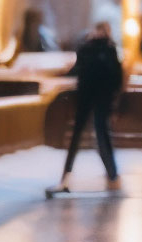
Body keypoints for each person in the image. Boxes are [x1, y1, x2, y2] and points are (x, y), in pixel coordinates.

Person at [51, 22, 123, 193]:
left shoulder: (88, 49)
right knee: (101, 135)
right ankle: (112, 174)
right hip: (100, 98)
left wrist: (64, 74)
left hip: (87, 96)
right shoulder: (108, 50)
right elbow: (116, 77)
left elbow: (78, 70)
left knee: (81, 136)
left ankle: (66, 175)